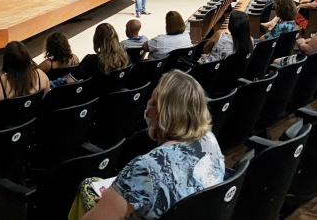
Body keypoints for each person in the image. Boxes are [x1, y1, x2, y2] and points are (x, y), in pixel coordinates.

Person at [75, 70, 224, 220]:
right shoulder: (209, 139)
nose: (148, 105)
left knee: (88, 186)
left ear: (158, 113)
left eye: (152, 101)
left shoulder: (147, 167)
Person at [0, 41, 49, 108]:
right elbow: (46, 100)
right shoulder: (41, 75)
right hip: (32, 120)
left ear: (6, 60)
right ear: (27, 59)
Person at [66, 23, 132, 85]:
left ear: (96, 39)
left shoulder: (90, 60)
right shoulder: (125, 57)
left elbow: (70, 81)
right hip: (117, 95)